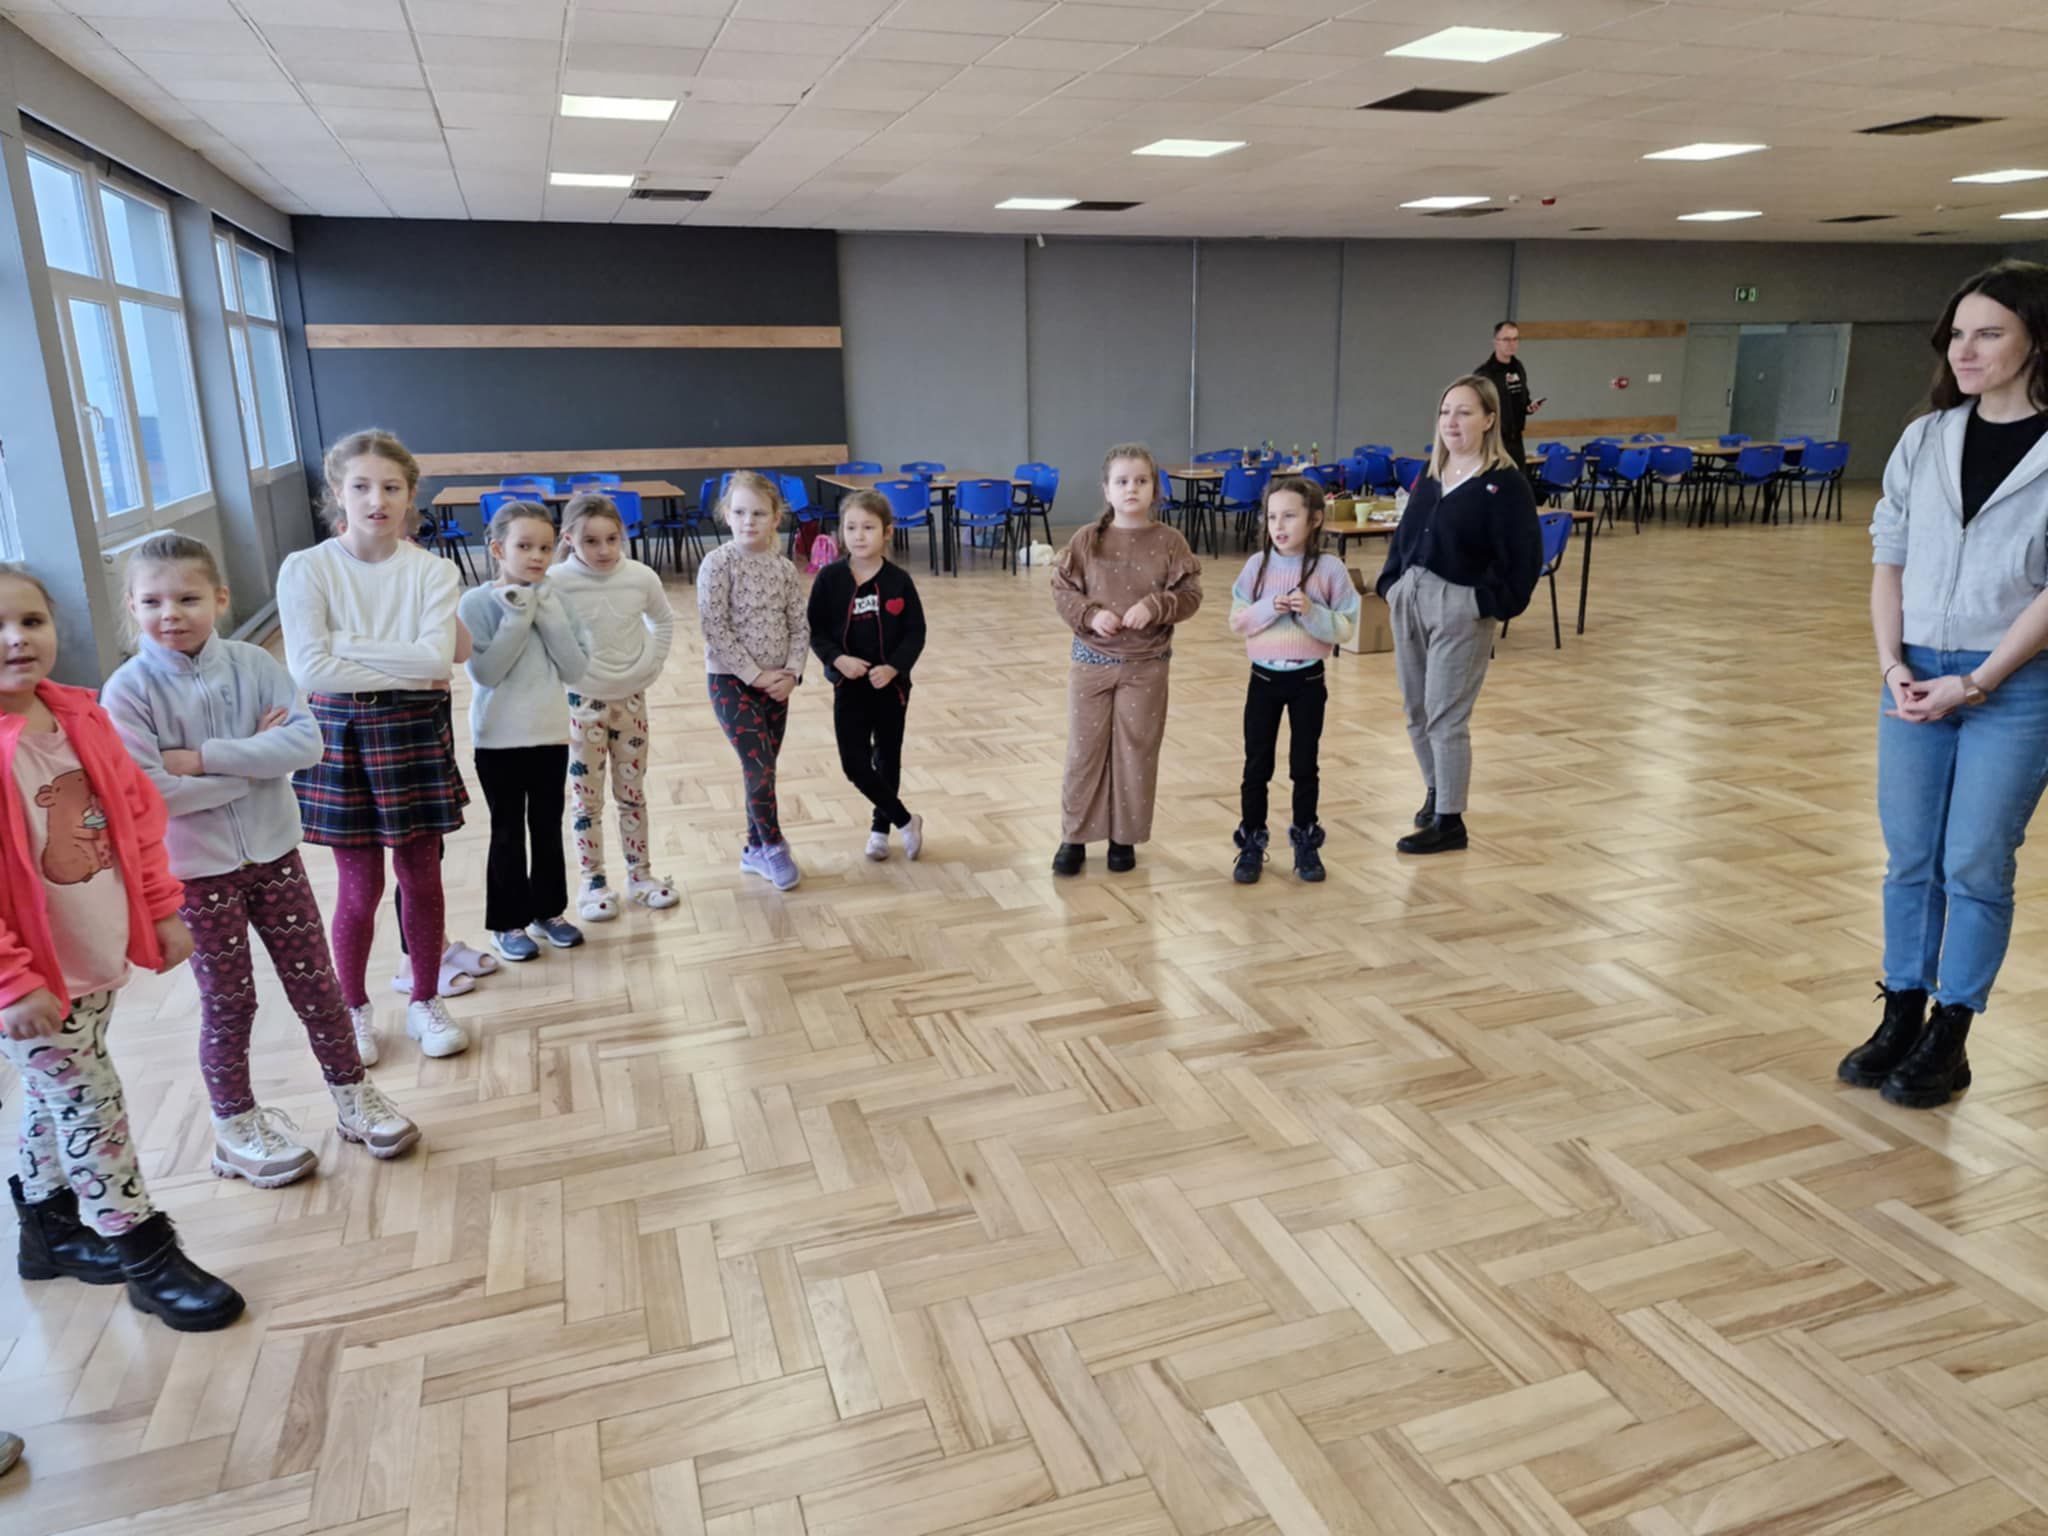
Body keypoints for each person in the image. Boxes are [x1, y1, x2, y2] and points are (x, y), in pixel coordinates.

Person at [103, 533, 419, 1187]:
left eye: (188, 598)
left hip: (275, 857)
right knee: (230, 1002)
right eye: (153, 601)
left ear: (219, 598)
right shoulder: (127, 691)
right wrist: (255, 762)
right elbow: (149, 792)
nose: (171, 613)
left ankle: (353, 1097)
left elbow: (306, 747)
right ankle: (234, 1128)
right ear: (132, 607)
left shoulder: (254, 663)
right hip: (196, 876)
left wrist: (202, 760)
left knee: (319, 988)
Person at [0, 564, 244, 1331]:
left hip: (92, 952)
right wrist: (10, 981)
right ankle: (144, 1254)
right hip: (29, 975)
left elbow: (136, 819)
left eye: (31, 621)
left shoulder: (79, 714)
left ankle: (47, 1230)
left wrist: (164, 910)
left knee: (57, 1094)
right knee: (89, 1100)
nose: (16, 639)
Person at [1842, 258, 2048, 1110]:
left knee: (1975, 861)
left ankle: (1951, 1028)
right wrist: (1894, 665)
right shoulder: (1925, 439)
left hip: (2016, 683)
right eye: (1957, 334)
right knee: (1912, 858)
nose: (1964, 350)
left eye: (1989, 333)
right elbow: (1888, 559)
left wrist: (1981, 679)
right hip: (1913, 675)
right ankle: (1902, 1007)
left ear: (2037, 340)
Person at [277, 428, 471, 1063]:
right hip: (341, 735)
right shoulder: (306, 569)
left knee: (423, 879)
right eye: (360, 486)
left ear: (410, 494)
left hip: (413, 731)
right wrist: (404, 661)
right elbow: (311, 671)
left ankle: (424, 999)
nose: (376, 500)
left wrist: (346, 646)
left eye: (391, 487)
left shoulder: (434, 571)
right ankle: (353, 1008)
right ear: (338, 492)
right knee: (358, 889)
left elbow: (438, 659)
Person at [1375, 376, 1542, 855]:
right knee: (1416, 711)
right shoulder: (1431, 476)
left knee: (1446, 716)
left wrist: (1485, 604)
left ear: (1489, 420)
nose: (1452, 421)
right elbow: (1406, 537)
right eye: (1446, 411)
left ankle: (1450, 822)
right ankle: (1436, 791)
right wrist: (1390, 585)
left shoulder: (1504, 484)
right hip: (1411, 599)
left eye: (1464, 412)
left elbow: (1524, 559)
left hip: (1460, 607)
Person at [1049, 443, 1203, 876]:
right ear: (1107, 489)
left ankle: (1124, 838)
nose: (1131, 488)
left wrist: (1156, 606)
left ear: (1155, 488)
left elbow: (1190, 595)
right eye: (1122, 481)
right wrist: (1090, 614)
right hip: (1091, 663)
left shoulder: (1170, 542)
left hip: (1146, 666)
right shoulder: (1087, 540)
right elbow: (1062, 590)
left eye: (1141, 480)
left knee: (1137, 752)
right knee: (1084, 751)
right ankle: (1074, 836)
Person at [461, 500, 590, 962]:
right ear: (498, 549)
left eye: (545, 547)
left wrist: (546, 614)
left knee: (548, 827)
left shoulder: (558, 599)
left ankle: (548, 911)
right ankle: (507, 922)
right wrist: (518, 616)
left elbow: (575, 668)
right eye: (524, 546)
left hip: (550, 735)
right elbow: (487, 672)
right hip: (497, 741)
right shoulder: (476, 603)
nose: (537, 556)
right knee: (508, 832)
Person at [550, 493, 680, 918]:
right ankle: (593, 881)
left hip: (631, 702)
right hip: (580, 704)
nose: (604, 550)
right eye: (591, 541)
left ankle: (640, 875)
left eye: (612, 539)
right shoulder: (555, 582)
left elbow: (663, 620)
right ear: (569, 539)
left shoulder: (641, 577)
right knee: (586, 800)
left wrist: (652, 663)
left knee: (632, 793)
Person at [1228, 476, 1359, 884]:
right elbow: (1238, 621)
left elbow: (1346, 627)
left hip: (1308, 681)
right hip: (1263, 680)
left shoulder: (1330, 569)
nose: (1278, 526)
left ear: (1315, 519)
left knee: (1304, 764)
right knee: (1257, 764)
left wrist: (1311, 612)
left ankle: (1305, 838)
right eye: (1272, 517)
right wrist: (1270, 606)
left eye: (1289, 516)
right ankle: (1252, 840)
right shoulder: (1257, 566)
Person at [696, 472, 809, 891]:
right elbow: (715, 627)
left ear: (776, 518)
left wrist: (792, 673)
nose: (749, 521)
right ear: (726, 515)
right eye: (740, 512)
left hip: (778, 685)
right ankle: (774, 846)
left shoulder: (784, 569)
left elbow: (799, 626)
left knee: (762, 767)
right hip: (731, 682)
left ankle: (753, 848)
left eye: (759, 513)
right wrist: (754, 675)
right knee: (758, 767)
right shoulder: (717, 563)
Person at [807, 489, 927, 861]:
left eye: (868, 527)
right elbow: (816, 630)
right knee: (854, 764)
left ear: (887, 532)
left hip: (891, 688)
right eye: (851, 527)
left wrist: (894, 667)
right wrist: (838, 659)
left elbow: (915, 632)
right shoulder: (829, 579)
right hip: (849, 687)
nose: (859, 536)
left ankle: (880, 829)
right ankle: (905, 819)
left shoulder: (899, 581)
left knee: (887, 758)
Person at [1474, 321, 1540, 468]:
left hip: (1516, 438)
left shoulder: (1518, 367)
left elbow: (1522, 398)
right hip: (1494, 439)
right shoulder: (1484, 373)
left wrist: (1529, 407)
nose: (1512, 344)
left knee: (1519, 478)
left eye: (1515, 339)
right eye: (1506, 339)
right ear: (1496, 342)